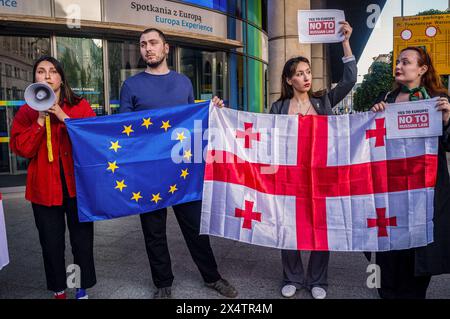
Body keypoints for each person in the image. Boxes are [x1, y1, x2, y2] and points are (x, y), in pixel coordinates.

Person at [119, 28, 237, 299]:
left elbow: (191, 122)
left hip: (183, 170)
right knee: (154, 231)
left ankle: (212, 277)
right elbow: (124, 129)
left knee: (196, 227)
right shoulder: (131, 86)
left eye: (152, 43)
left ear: (166, 48)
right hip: (148, 173)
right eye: (142, 44)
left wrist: (210, 110)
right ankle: (163, 283)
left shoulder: (184, 82)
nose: (147, 48)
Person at [270, 21, 357, 299]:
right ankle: (292, 277)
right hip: (290, 175)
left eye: (308, 72)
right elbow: (268, 138)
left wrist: (344, 43)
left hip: (321, 174)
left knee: (321, 224)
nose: (306, 77)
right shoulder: (279, 107)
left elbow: (350, 79)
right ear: (288, 80)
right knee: (289, 226)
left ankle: (318, 279)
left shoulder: (324, 100)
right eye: (299, 73)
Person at [10, 56, 97, 299]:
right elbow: (22, 149)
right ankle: (59, 289)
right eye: (40, 71)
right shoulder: (27, 111)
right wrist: (39, 121)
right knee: (51, 242)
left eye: (52, 71)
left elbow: (92, 139)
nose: (47, 76)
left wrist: (62, 115)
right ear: (34, 77)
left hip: (76, 187)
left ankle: (79, 286)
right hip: (44, 189)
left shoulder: (78, 105)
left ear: (61, 77)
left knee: (81, 243)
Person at [370, 46, 450, 299]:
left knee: (417, 253)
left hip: (424, 192)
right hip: (393, 191)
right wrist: (375, 117)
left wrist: (447, 120)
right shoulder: (389, 99)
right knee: (390, 254)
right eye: (397, 61)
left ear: (422, 69)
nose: (398, 66)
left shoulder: (438, 100)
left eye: (406, 62)